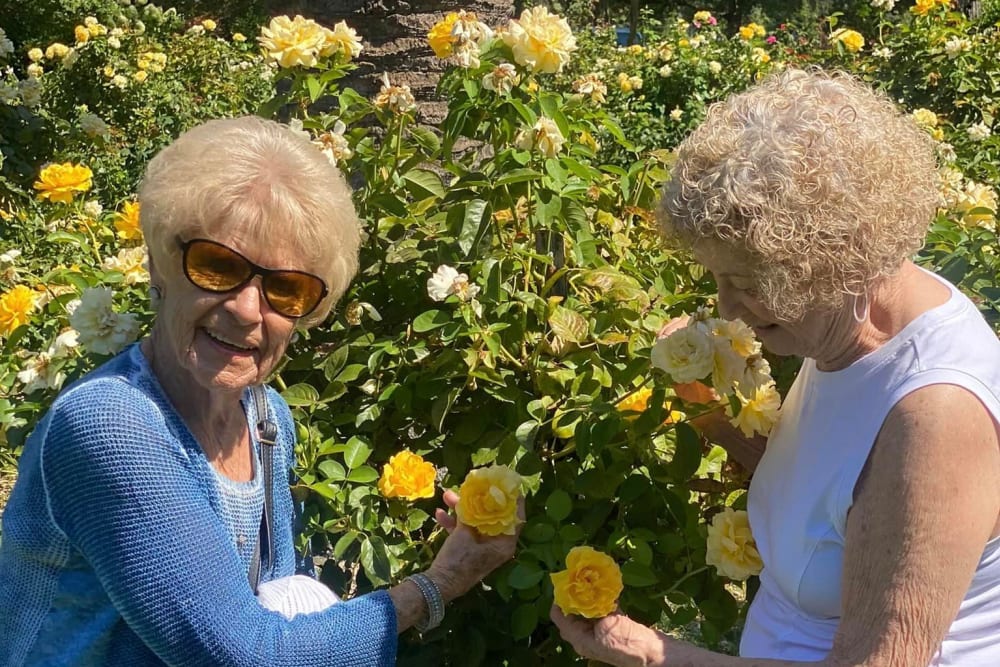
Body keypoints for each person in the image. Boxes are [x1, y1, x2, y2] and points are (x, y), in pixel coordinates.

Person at [0, 116, 518, 665]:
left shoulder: (266, 420)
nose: (248, 310)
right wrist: (437, 586)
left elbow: (272, 603)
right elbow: (244, 653)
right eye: (217, 265)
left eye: (286, 288)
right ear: (158, 262)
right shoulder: (112, 425)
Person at [551, 68, 1000, 666]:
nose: (725, 307)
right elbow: (837, 494)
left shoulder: (937, 416)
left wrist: (654, 656)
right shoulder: (849, 330)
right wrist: (713, 412)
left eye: (746, 282)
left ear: (841, 260)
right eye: (717, 278)